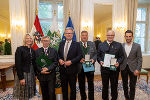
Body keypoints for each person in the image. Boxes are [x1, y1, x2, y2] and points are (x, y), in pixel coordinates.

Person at [97, 30, 124, 100]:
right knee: (105, 85)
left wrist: (118, 62)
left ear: (114, 36)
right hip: (104, 69)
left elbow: (122, 56)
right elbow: (98, 56)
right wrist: (100, 61)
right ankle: (105, 98)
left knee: (114, 85)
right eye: (109, 35)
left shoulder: (118, 45)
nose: (110, 37)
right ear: (106, 36)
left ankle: (114, 98)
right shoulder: (101, 45)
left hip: (114, 69)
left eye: (112, 35)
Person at [58, 27, 82, 100]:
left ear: (72, 34)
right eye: (67, 33)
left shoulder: (77, 44)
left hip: (72, 70)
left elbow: (80, 55)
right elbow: (58, 54)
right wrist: (59, 59)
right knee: (64, 89)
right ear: (64, 34)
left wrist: (71, 61)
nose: (69, 34)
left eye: (70, 33)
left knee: (73, 89)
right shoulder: (61, 43)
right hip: (62, 70)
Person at [120, 30, 142, 100]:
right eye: (127, 36)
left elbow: (140, 58)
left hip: (133, 68)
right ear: (124, 37)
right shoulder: (121, 45)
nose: (128, 38)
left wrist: (138, 69)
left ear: (132, 37)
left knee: (132, 85)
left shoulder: (137, 46)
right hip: (123, 68)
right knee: (124, 84)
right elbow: (120, 57)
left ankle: (131, 98)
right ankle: (126, 97)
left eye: (130, 36)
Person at [13, 34, 36, 100]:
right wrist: (21, 78)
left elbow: (34, 63)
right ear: (24, 40)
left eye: (30, 38)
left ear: (32, 40)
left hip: (31, 73)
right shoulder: (20, 49)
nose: (29, 39)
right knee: (22, 91)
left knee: (29, 91)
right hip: (23, 73)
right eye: (27, 38)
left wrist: (35, 74)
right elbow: (18, 64)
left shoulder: (33, 50)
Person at [35, 36, 58, 100]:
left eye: (47, 41)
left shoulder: (53, 50)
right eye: (44, 40)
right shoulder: (37, 51)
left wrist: (48, 69)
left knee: (51, 92)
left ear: (49, 42)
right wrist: (40, 70)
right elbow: (36, 63)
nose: (46, 42)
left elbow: (55, 62)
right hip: (41, 75)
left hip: (51, 75)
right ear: (42, 41)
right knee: (44, 92)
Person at [78, 31, 97, 100]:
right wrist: (79, 59)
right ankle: (83, 98)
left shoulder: (92, 44)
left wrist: (93, 60)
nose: (84, 36)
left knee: (91, 84)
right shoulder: (77, 44)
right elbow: (75, 55)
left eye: (86, 35)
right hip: (80, 68)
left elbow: (95, 54)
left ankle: (91, 98)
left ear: (87, 36)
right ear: (81, 36)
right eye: (83, 35)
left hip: (90, 67)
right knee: (81, 85)